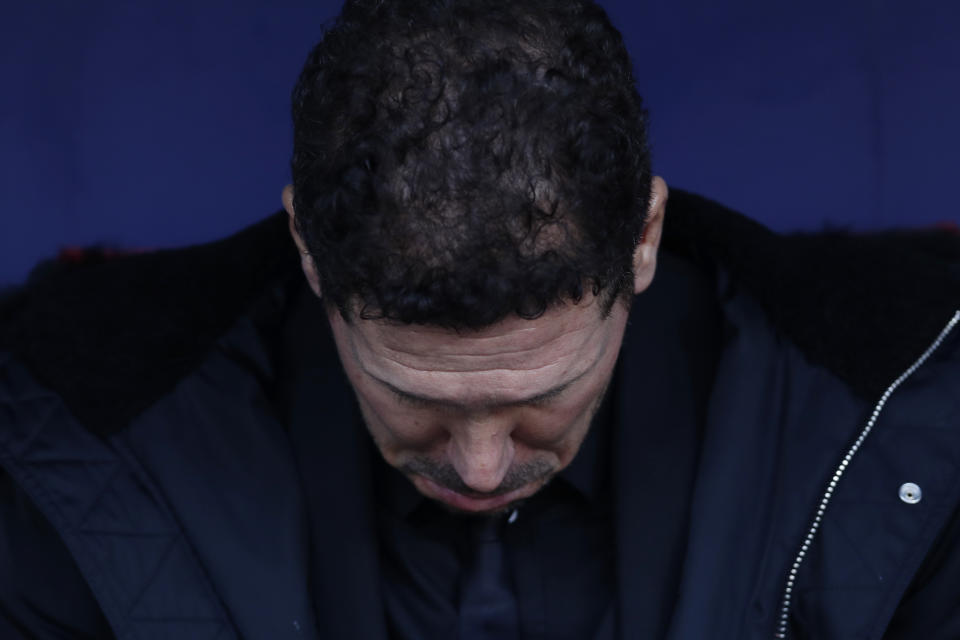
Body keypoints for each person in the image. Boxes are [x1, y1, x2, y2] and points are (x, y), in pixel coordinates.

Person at [2, 0, 959, 638]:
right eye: (410, 394)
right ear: (307, 249)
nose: (481, 466)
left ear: (645, 239)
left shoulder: (912, 423)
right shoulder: (64, 432)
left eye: (543, 392)